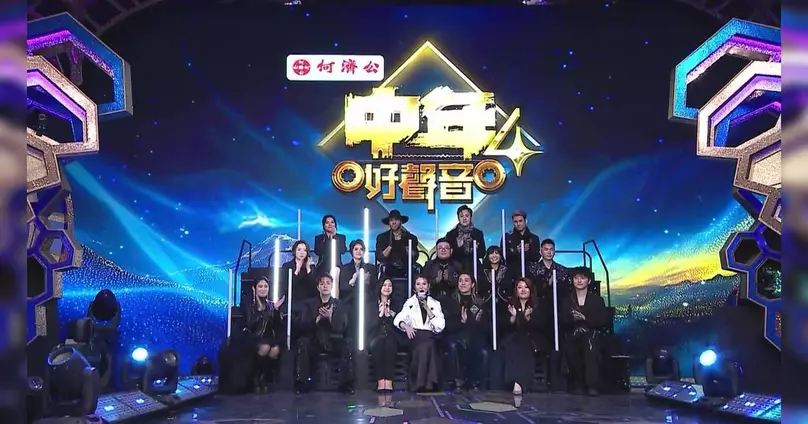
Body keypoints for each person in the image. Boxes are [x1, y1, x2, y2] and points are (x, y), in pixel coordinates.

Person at [293, 273, 354, 394]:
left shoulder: (339, 304)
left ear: (331, 286)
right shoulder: (309, 304)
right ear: (318, 287)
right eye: (322, 284)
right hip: (315, 339)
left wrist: (331, 317)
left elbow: (342, 327)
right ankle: (301, 383)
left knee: (347, 344)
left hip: (333, 339)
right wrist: (317, 319)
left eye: (327, 283)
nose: (325, 286)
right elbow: (302, 325)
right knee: (302, 342)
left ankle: (346, 384)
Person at [560, 267, 608, 396]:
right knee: (571, 346)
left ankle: (592, 385)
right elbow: (562, 320)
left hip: (592, 333)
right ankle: (578, 384)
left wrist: (585, 318)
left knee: (590, 345)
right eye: (576, 278)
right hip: (573, 333)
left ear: (589, 280)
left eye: (582, 278)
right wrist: (573, 319)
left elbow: (603, 320)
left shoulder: (597, 300)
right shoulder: (567, 301)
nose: (579, 281)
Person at [393, 275, 445, 392]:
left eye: (424, 284)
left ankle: (424, 383)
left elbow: (440, 326)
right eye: (418, 284)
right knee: (427, 345)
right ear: (414, 288)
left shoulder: (435, 304)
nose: (421, 286)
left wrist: (427, 309)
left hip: (430, 335)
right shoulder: (410, 302)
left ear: (428, 286)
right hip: (415, 336)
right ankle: (427, 384)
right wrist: (406, 326)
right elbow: (398, 319)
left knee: (429, 344)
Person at [443, 273, 490, 391]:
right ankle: (458, 381)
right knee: (454, 345)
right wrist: (462, 322)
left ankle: (475, 382)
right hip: (456, 334)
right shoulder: (450, 301)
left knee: (478, 344)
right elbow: (448, 325)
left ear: (472, 284)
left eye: (466, 280)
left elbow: (485, 327)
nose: (463, 283)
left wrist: (473, 321)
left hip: (475, 335)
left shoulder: (480, 302)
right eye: (460, 280)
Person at [500, 278, 545, 395]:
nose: (523, 290)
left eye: (526, 287)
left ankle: (519, 383)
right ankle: (515, 381)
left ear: (531, 290)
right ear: (516, 291)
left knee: (523, 345)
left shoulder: (537, 305)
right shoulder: (511, 305)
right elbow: (503, 326)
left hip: (532, 338)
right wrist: (513, 317)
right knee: (513, 345)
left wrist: (528, 318)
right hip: (513, 337)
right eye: (520, 287)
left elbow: (542, 325)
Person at [242, 277, 285, 392]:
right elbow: (250, 324)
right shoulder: (249, 304)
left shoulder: (270, 305)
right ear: (254, 288)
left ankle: (264, 378)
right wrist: (262, 312)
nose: (263, 289)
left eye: (265, 286)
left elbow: (277, 326)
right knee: (265, 347)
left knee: (275, 349)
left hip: (269, 337)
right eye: (260, 286)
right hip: (253, 337)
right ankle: (256, 378)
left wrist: (276, 311)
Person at [367, 278, 404, 393]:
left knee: (390, 345)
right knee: (377, 345)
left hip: (392, 334)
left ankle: (388, 381)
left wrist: (389, 315)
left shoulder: (397, 304)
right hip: (375, 334)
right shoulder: (371, 304)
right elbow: (368, 325)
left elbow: (399, 324)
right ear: (380, 287)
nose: (387, 288)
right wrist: (379, 315)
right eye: (384, 285)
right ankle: (380, 381)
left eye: (390, 286)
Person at [337, 239, 377, 338]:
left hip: (366, 301)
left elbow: (375, 286)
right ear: (351, 251)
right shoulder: (344, 268)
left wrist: (367, 282)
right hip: (350, 302)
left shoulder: (371, 268)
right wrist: (353, 281)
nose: (359, 251)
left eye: (361, 249)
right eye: (356, 249)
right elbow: (342, 287)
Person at [375, 209, 419, 279]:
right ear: (389, 223)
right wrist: (390, 245)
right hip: (388, 270)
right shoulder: (382, 237)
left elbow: (415, 256)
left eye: (396, 220)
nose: (394, 222)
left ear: (401, 221)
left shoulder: (410, 237)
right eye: (391, 220)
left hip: (406, 269)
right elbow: (380, 257)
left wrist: (407, 246)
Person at [444, 205, 485, 273]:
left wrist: (476, 250)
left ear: (470, 217)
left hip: (474, 268)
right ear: (458, 218)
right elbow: (449, 255)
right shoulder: (451, 234)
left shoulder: (478, 233)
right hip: (456, 268)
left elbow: (482, 253)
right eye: (461, 216)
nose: (464, 218)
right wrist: (458, 247)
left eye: (467, 216)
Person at [501, 209, 540, 278]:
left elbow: (536, 257)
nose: (518, 224)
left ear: (526, 221)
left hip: (529, 275)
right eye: (515, 222)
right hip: (512, 275)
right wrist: (516, 251)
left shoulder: (534, 238)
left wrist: (528, 251)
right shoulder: (507, 237)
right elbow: (503, 257)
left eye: (520, 221)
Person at [422, 238, 461, 302]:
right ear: (436, 251)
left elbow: (462, 285)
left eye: (446, 248)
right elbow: (421, 283)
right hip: (432, 299)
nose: (443, 250)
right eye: (440, 248)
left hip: (453, 299)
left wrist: (449, 280)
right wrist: (435, 280)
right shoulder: (429, 265)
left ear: (451, 251)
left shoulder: (458, 266)